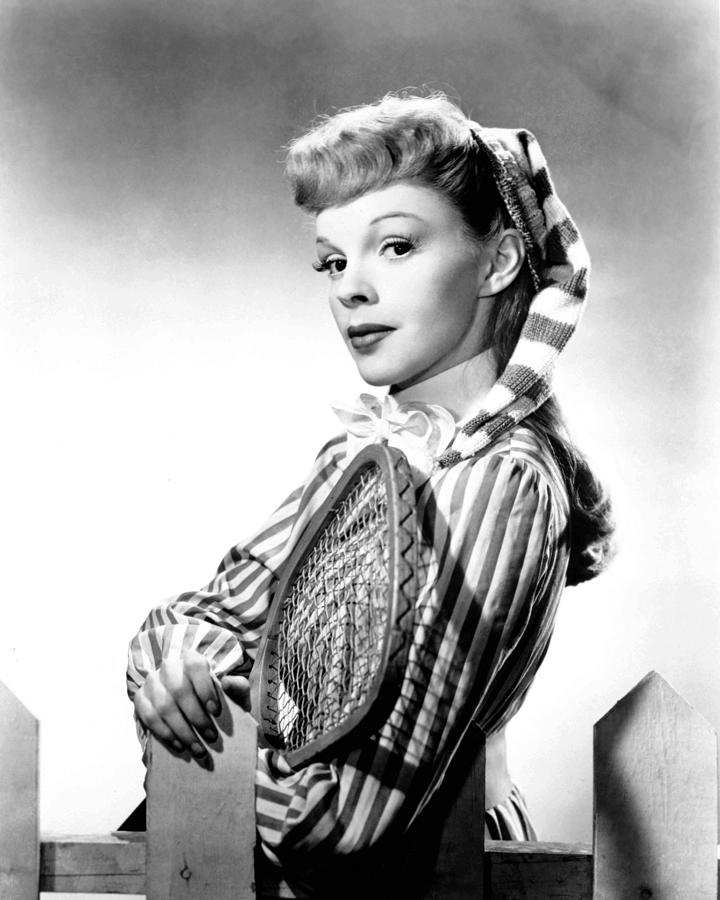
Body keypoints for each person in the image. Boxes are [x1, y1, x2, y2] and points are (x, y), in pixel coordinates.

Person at [126, 93, 613, 894]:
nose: (349, 288)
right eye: (333, 260)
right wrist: (181, 667)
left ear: (497, 262)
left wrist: (210, 729)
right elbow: (196, 622)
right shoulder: (368, 455)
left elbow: (345, 823)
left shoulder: (503, 482)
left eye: (394, 246)